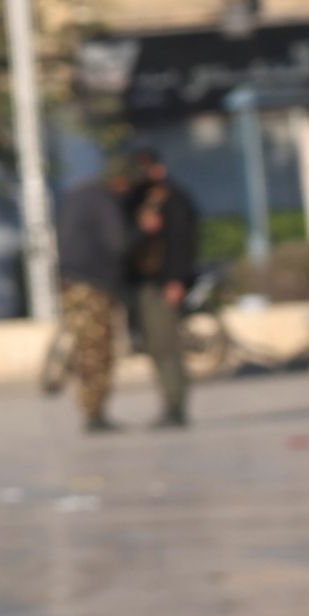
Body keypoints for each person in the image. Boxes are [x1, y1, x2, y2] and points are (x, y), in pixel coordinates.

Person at [122, 149, 200, 431]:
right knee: (156, 347)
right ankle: (170, 403)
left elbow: (182, 244)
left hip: (163, 284)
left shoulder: (174, 200)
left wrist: (176, 281)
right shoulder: (137, 201)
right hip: (142, 285)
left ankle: (175, 406)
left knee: (167, 347)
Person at [51, 157, 130, 434]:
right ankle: (95, 412)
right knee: (97, 349)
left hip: (71, 283)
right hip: (95, 285)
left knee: (84, 346)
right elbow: (116, 242)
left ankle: (91, 408)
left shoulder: (75, 197)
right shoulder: (103, 200)